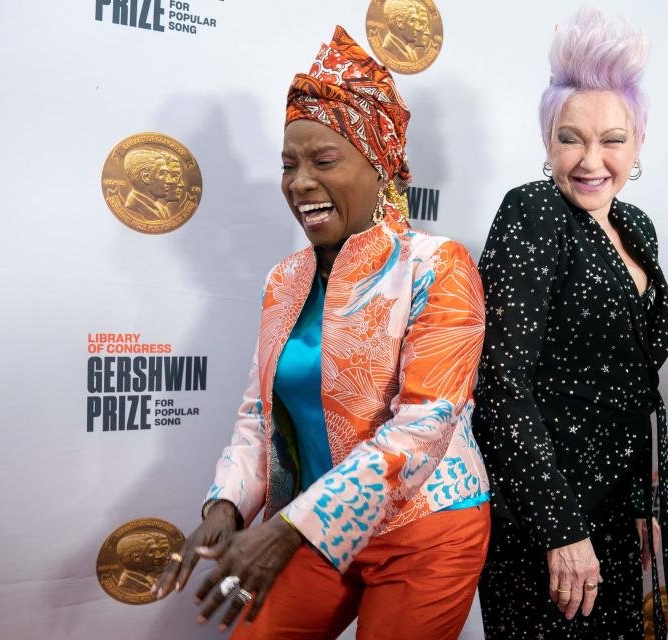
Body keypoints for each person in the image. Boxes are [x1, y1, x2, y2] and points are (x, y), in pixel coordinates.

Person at [153, 26, 489, 639]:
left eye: (323, 160)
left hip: (425, 530)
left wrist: (283, 532)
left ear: (378, 162)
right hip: (316, 527)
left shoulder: (438, 266)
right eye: (289, 164)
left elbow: (423, 428)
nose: (300, 181)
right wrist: (225, 505)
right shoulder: (285, 280)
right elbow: (259, 414)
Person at [472, 8, 668, 639]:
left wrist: (643, 503)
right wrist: (561, 529)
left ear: (639, 142)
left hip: (617, 509)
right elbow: (500, 383)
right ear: (547, 141)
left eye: (613, 139)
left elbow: (631, 389)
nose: (591, 160)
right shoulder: (534, 210)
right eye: (571, 137)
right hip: (548, 519)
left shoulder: (638, 227)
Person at [121, 147, 180, 221]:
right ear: (146, 177)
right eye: (163, 174)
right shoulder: (132, 207)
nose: (169, 181)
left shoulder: (161, 208)